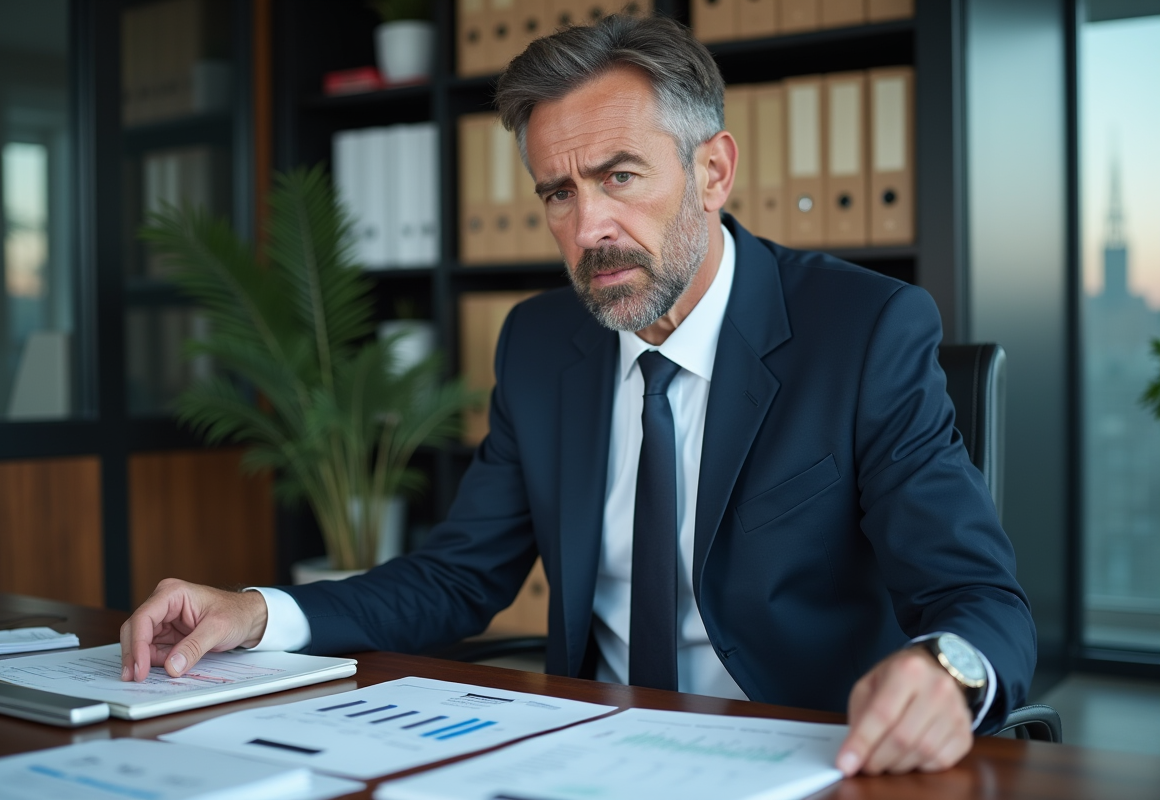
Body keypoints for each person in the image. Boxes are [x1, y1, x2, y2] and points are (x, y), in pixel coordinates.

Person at [120, 14, 1036, 777]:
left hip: (798, 761)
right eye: (556, 193)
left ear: (713, 171)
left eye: (620, 177)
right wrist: (259, 612)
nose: (589, 226)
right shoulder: (540, 343)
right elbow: (458, 577)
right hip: (582, 760)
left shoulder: (865, 329)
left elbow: (980, 599)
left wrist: (946, 672)